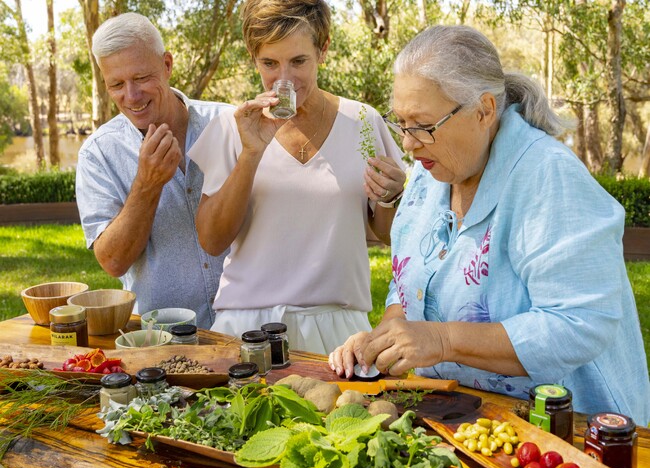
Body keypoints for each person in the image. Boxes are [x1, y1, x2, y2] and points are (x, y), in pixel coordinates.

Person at [329, 25, 650, 425]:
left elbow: (579, 324)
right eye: (401, 123)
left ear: (484, 110)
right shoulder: (428, 175)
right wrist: (383, 338)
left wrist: (443, 339)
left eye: (423, 125)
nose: (408, 144)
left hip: (568, 434)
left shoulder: (549, 177)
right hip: (462, 420)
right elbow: (405, 283)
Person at [189, 0, 406, 355]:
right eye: (269, 63)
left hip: (341, 331)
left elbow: (383, 232)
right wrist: (251, 154)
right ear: (252, 57)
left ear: (323, 50)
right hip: (247, 329)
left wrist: (389, 197)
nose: (284, 79)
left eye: (298, 61)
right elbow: (212, 241)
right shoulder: (233, 127)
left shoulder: (364, 123)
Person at [76, 12, 233, 330]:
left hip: (251, 328)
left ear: (167, 65)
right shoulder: (98, 154)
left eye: (142, 78)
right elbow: (114, 262)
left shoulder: (229, 125)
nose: (131, 96)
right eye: (117, 84)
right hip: (162, 341)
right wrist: (147, 184)